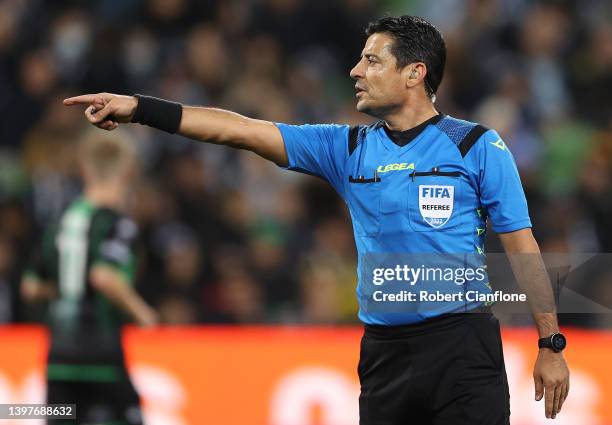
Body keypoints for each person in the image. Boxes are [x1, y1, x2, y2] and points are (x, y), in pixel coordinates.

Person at [63, 15, 569, 424]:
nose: (355, 70)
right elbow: (239, 130)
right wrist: (139, 109)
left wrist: (550, 342)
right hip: (384, 356)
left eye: (371, 61)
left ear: (414, 73)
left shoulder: (477, 145)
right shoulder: (344, 146)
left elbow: (522, 246)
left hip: (463, 350)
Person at [21, 130, 158, 425]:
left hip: (58, 358)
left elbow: (31, 288)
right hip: (101, 357)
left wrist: (68, 289)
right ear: (128, 171)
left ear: (84, 169)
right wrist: (142, 313)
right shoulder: (119, 223)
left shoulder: (58, 222)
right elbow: (104, 276)